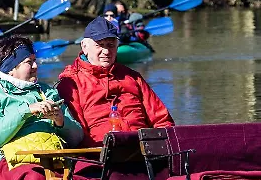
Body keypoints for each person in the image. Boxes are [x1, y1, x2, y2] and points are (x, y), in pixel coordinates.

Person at [0, 36, 83, 180]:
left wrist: (60, 121)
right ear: (10, 69)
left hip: (51, 162)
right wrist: (26, 110)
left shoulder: (47, 92)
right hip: (5, 166)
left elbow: (76, 138)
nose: (35, 66)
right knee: (35, 176)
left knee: (86, 171)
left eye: (34, 60)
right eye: (28, 62)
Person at [57, 17, 174, 147]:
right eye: (99, 45)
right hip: (100, 153)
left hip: (143, 150)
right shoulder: (70, 83)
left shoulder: (133, 77)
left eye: (111, 45)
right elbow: (75, 134)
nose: (106, 51)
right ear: (84, 46)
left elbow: (162, 120)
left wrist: (164, 146)